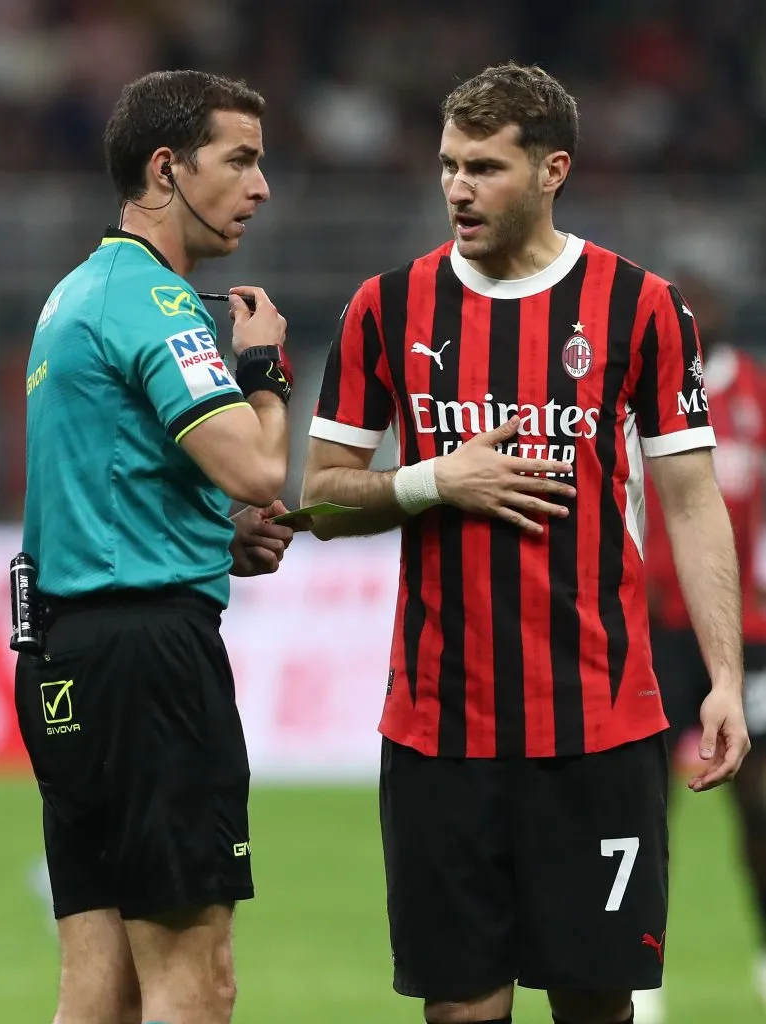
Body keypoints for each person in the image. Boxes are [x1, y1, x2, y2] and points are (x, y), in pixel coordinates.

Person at [300, 62, 750, 1024]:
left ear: (553, 170)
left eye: (485, 168)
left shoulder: (640, 305)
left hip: (598, 729)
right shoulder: (386, 306)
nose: (457, 188)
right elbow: (322, 500)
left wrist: (720, 676)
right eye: (448, 165)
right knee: (462, 1011)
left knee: (595, 1003)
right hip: (437, 731)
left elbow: (690, 501)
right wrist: (433, 480)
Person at [14, 70, 295, 1024]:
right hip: (148, 665)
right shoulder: (158, 303)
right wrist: (264, 369)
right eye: (241, 159)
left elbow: (109, 488)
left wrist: (209, 538)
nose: (260, 187)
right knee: (193, 980)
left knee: (100, 988)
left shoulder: (74, 295)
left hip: (65, 659)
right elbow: (257, 469)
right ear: (165, 167)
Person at [633, 272, 766, 1024]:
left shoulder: (752, 390)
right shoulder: (635, 395)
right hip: (655, 630)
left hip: (749, 635)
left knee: (757, 808)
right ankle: (638, 971)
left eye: (703, 308)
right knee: (645, 805)